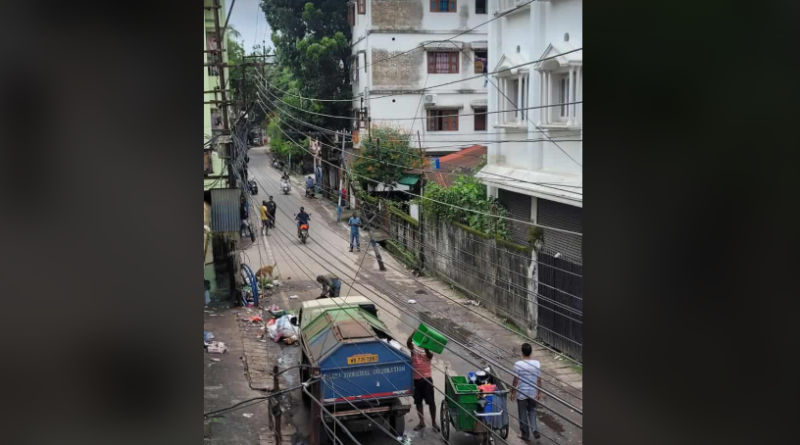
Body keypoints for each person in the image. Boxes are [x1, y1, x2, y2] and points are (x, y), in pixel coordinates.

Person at [407, 334, 439, 432]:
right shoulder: (413, 348)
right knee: (418, 401)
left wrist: (426, 347)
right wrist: (413, 333)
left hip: (427, 379)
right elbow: (408, 343)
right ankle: (421, 422)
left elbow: (430, 355)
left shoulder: (429, 350)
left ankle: (434, 422)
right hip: (416, 379)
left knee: (431, 402)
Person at [510, 343, 542, 441]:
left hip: (521, 393)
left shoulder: (518, 364)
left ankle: (525, 434)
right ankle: (534, 429)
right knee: (532, 411)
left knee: (522, 413)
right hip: (532, 392)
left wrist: (512, 392)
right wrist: (539, 392)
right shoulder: (537, 363)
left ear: (522, 352)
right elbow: (539, 379)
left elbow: (515, 380)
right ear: (531, 352)